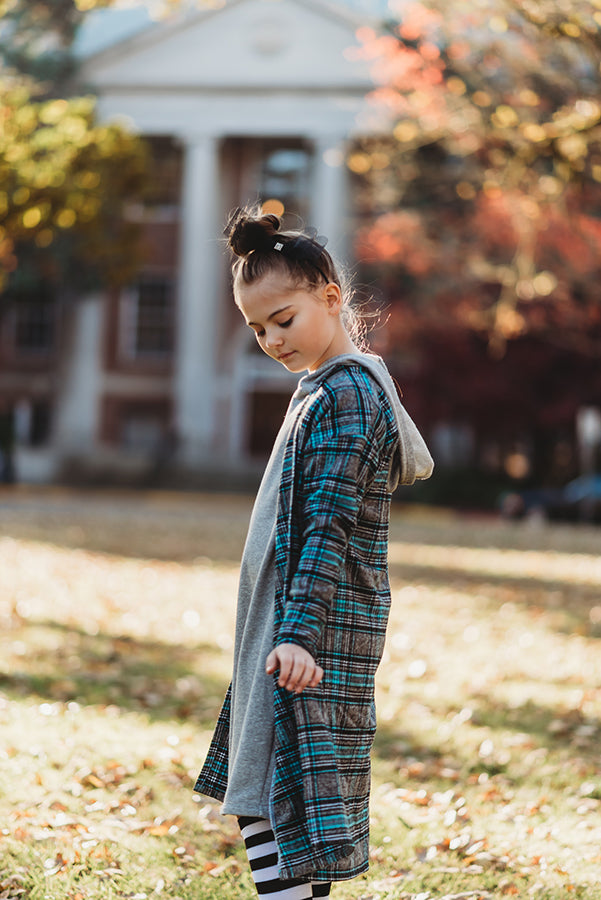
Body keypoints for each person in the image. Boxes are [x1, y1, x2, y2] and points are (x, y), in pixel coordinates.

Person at [194, 207, 434, 898]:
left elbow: (327, 522)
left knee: (271, 810)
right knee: (289, 815)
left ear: (331, 298)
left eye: (284, 319)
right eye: (256, 327)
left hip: (306, 637)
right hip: (288, 632)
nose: (271, 339)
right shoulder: (322, 390)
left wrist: (298, 634)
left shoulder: (348, 396)